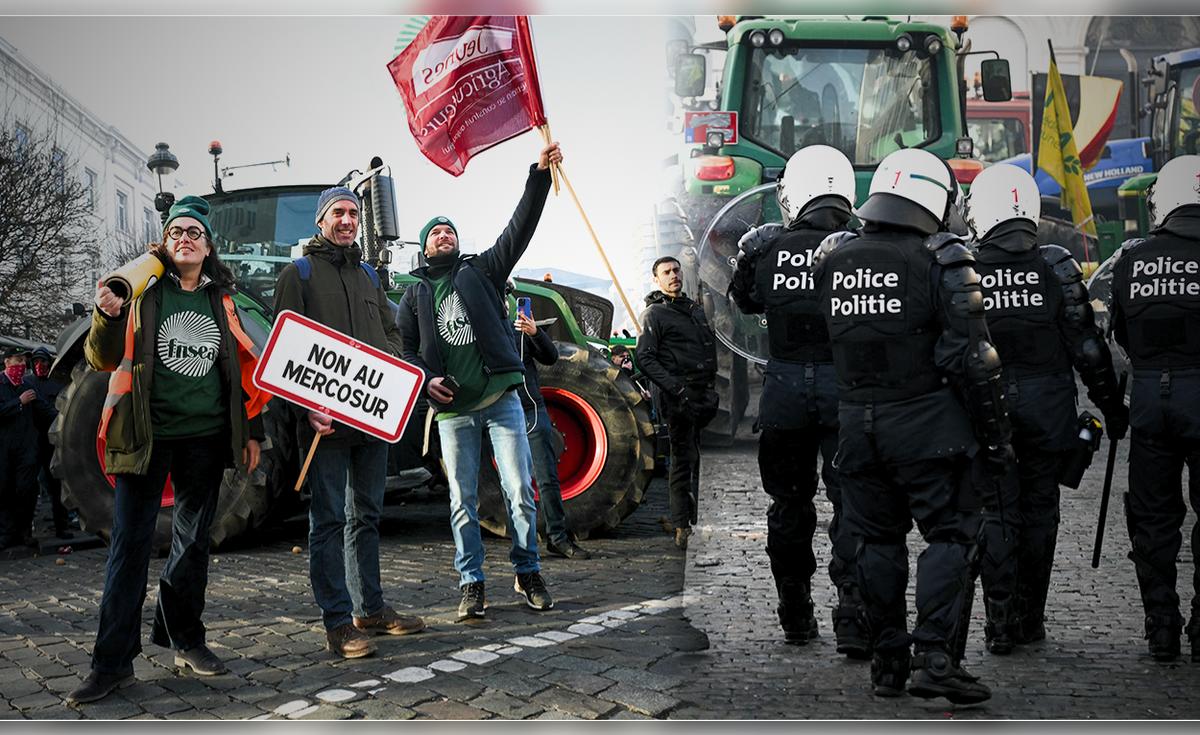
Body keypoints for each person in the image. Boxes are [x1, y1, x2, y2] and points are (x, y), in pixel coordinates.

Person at [813, 148, 1013, 704]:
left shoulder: (835, 259)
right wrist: (996, 441)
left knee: (875, 542)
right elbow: (975, 360)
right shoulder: (944, 259)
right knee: (951, 536)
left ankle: (887, 664)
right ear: (935, 198)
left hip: (857, 427)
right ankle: (936, 657)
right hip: (929, 429)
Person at [65, 196, 269, 704]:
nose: (185, 238)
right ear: (164, 242)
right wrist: (107, 315)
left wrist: (253, 433)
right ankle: (111, 663)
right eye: (177, 231)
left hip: (204, 440)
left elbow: (244, 370)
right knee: (129, 548)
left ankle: (186, 639)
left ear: (207, 246)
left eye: (194, 233)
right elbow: (101, 356)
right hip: (144, 438)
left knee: (194, 543)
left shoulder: (222, 299)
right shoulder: (142, 293)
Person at [965, 163, 1127, 654]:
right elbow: (1089, 348)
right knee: (1039, 513)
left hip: (988, 411)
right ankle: (1028, 618)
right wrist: (1111, 407)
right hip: (1048, 409)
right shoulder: (1056, 266)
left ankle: (997, 623)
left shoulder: (963, 267)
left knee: (996, 512)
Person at [397, 142, 562, 621]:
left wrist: (538, 175)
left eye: (449, 230)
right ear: (425, 247)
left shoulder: (483, 271)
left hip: (500, 400)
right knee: (462, 501)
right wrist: (427, 379)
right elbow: (407, 350)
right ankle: (472, 582)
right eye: (435, 233)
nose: (444, 236)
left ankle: (527, 569)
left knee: (520, 492)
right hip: (453, 412)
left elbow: (520, 228)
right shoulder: (414, 295)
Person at [274, 186, 425, 659]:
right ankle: (338, 623)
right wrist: (307, 408)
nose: (347, 219)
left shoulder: (367, 275)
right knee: (329, 521)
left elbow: (392, 329)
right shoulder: (296, 273)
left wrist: (394, 373)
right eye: (338, 212)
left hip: (371, 422)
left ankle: (370, 609)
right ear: (321, 220)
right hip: (325, 425)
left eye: (353, 212)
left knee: (368, 516)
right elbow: (285, 348)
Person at [729, 145, 867, 655]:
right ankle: (854, 616)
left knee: (788, 505)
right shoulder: (859, 248)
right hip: (845, 390)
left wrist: (755, 250)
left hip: (784, 389)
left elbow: (742, 302)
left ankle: (795, 615)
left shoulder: (768, 249)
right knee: (852, 504)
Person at [1107, 154, 1200, 663]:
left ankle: (1160, 625)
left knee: (1153, 519)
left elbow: (1121, 332)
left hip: (1148, 404)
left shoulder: (1131, 259)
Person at [636, 256, 718, 551]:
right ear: (656, 280)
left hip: (701, 394)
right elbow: (644, 357)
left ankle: (687, 516)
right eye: (666, 272)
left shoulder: (693, 309)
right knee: (681, 461)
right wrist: (675, 387)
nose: (673, 275)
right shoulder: (654, 314)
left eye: (676, 270)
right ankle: (682, 526)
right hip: (678, 398)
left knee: (693, 459)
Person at [514, 307, 590, 559]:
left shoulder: (520, 331)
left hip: (531, 409)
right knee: (512, 483)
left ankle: (557, 536)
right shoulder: (484, 329)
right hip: (501, 411)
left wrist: (535, 333)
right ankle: (523, 545)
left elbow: (550, 356)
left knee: (546, 475)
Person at [24, 346, 73, 539]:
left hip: (52, 442)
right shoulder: (27, 383)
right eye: (36, 362)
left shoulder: (57, 384)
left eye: (43, 361)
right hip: (31, 441)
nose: (40, 365)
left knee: (56, 486)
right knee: (28, 487)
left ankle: (62, 527)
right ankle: (26, 531)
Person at [0, 345, 41, 550]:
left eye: (24, 361)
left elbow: (43, 410)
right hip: (4, 449)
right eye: (18, 361)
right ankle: (8, 533)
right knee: (4, 490)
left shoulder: (27, 385)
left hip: (26, 448)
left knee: (26, 490)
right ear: (7, 362)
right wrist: (18, 402)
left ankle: (25, 532)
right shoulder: (1, 384)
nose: (22, 365)